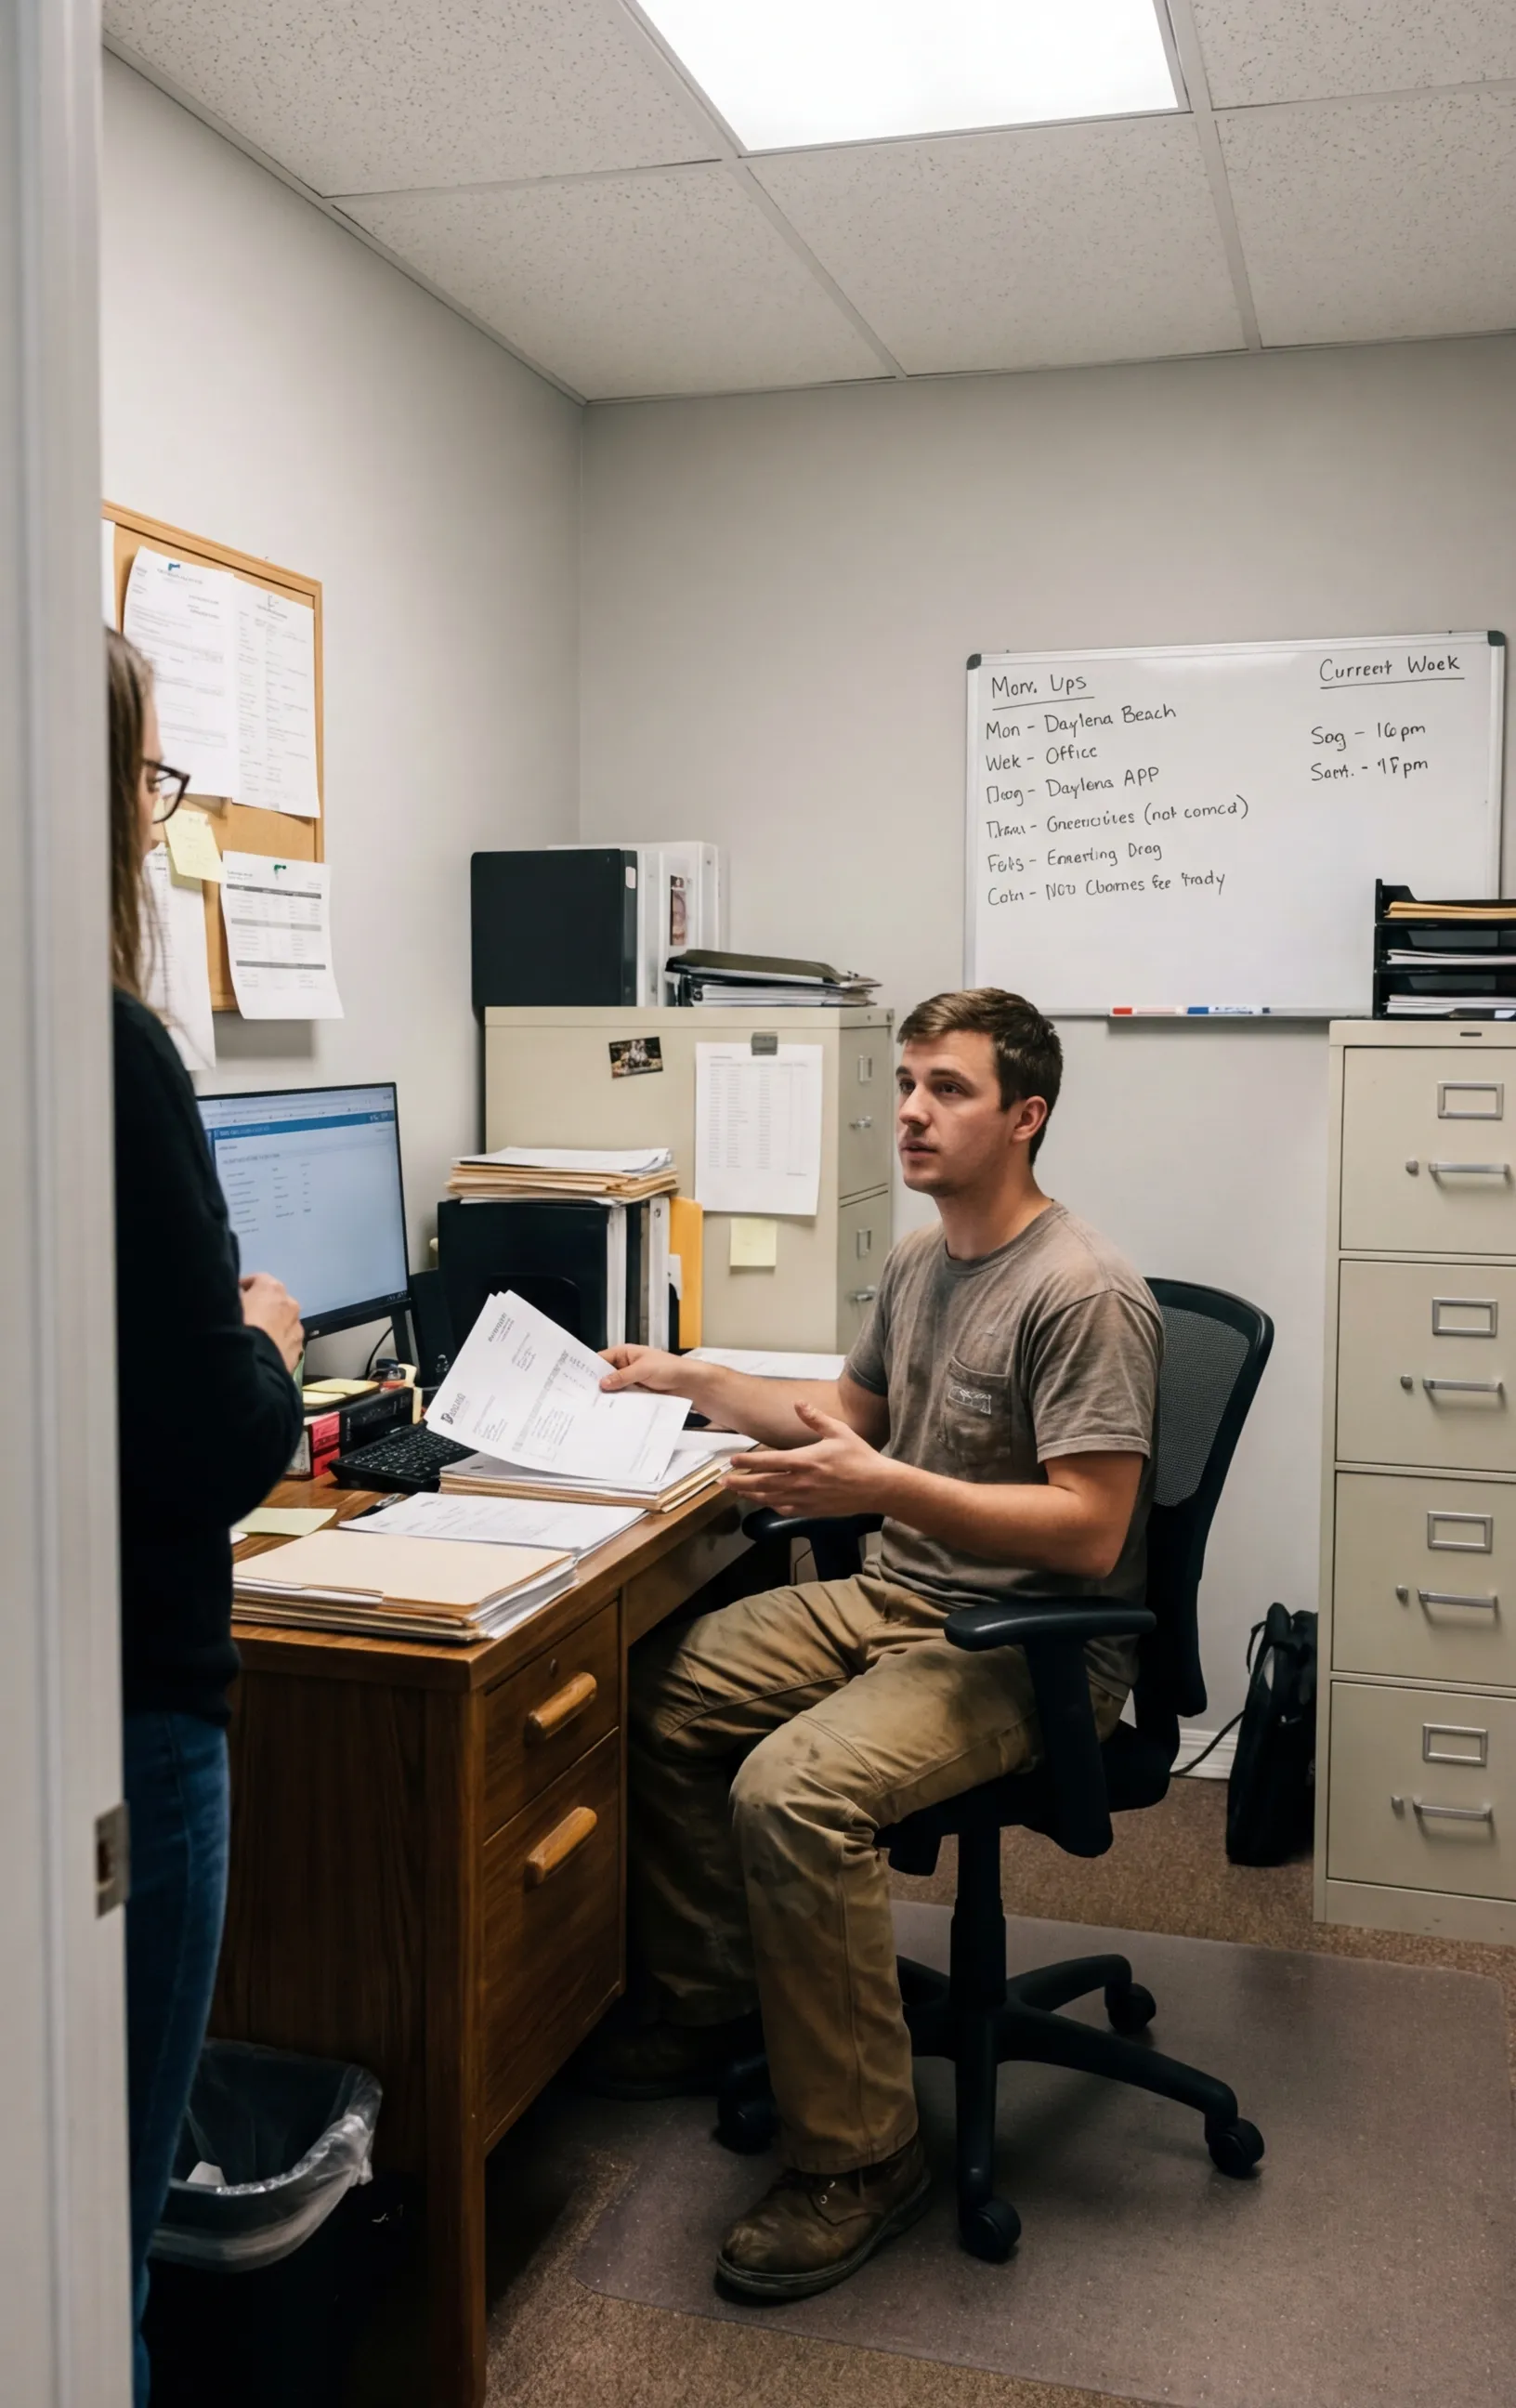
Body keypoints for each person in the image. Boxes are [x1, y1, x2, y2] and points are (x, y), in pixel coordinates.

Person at [590, 987, 1161, 2301]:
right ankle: (716, 2001)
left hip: (1028, 1646)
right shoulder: (918, 1261)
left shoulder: (1083, 1295)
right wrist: (691, 1380)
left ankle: (862, 2156)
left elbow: (1088, 1530)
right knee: (661, 1692)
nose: (910, 1110)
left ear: (1025, 1116)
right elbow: (838, 1413)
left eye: (946, 1089)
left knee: (791, 1792)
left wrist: (882, 1490)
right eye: (906, 1083)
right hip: (898, 1599)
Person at [107, 629, 306, 2402]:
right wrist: (261, 1339)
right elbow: (206, 1437)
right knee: (101, 2237)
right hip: (128, 1702)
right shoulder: (104, 1046)